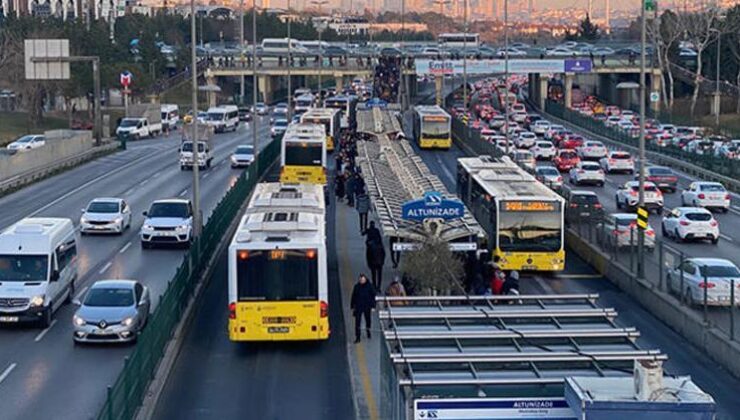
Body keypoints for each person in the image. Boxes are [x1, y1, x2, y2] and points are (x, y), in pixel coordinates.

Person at [350, 274, 376, 343]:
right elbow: (353, 296)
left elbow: (373, 297)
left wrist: (373, 306)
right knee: (357, 322)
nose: (361, 281)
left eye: (363, 279)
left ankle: (368, 331)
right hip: (358, 307)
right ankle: (358, 337)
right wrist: (352, 306)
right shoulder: (357, 287)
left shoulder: (369, 286)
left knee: (368, 320)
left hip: (367, 306)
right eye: (360, 280)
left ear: (365, 279)